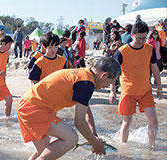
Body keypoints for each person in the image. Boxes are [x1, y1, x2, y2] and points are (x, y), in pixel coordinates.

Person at [17, 57, 121, 159]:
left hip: (26, 104)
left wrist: (94, 136)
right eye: (110, 82)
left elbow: (87, 112)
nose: (107, 86)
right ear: (104, 75)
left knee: (43, 151)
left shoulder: (84, 74)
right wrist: (95, 144)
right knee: (71, 138)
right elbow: (79, 122)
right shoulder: (86, 84)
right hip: (33, 108)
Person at [109, 21, 163, 149]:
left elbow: (154, 68)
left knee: (153, 119)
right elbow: (113, 72)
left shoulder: (149, 49)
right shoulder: (122, 51)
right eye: (139, 38)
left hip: (145, 90)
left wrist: (159, 87)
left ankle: (152, 147)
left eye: (144, 38)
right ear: (132, 35)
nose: (141, 41)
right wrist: (113, 91)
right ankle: (123, 148)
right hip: (128, 91)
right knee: (127, 122)